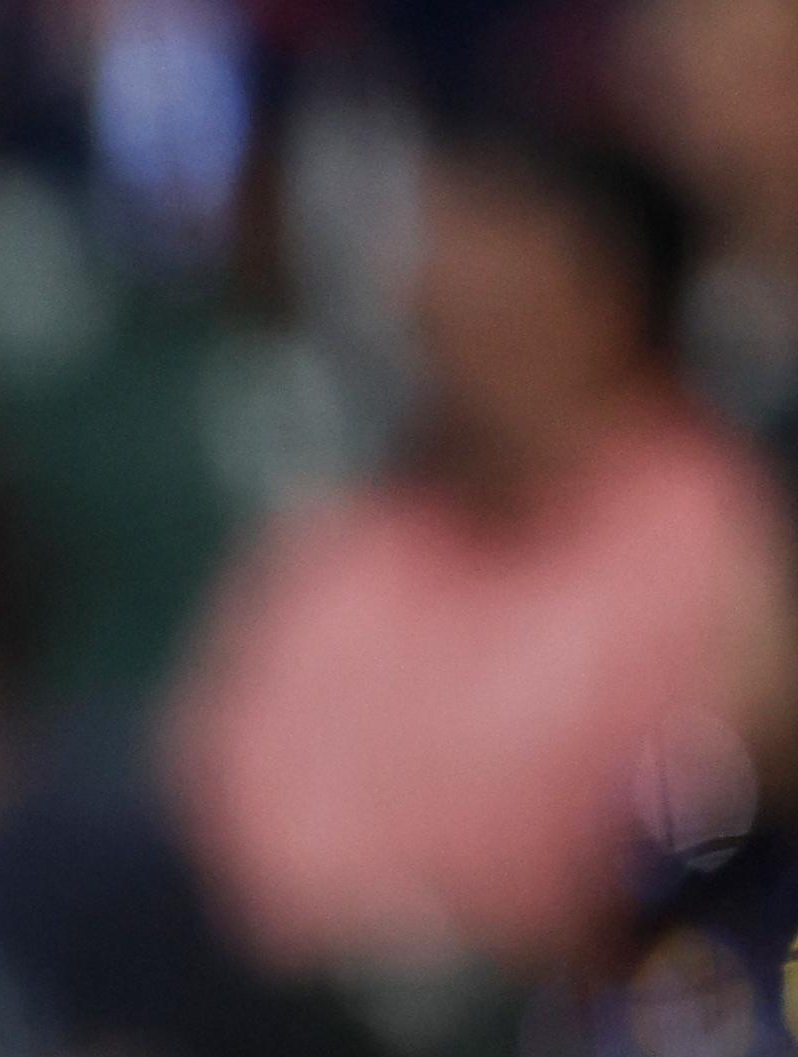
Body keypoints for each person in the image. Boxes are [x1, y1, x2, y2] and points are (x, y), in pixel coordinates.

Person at [165, 121, 797, 973]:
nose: (435, 311)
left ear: (607, 300)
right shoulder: (340, 548)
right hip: (287, 1034)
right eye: (436, 285)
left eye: (492, 289)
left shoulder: (721, 527)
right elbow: (203, 790)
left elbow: (683, 825)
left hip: (593, 1025)